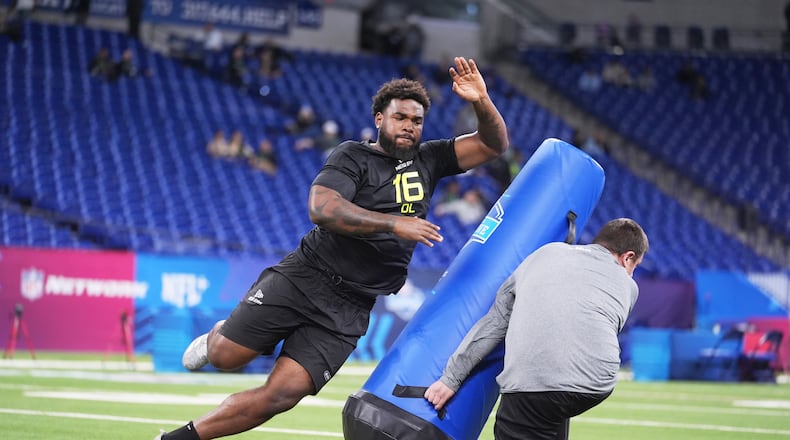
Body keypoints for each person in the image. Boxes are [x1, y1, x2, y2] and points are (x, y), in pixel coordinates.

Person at [155, 56, 509, 440]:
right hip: (305, 277)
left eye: (417, 121)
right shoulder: (352, 155)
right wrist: (393, 222)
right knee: (226, 358)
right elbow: (322, 209)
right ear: (379, 119)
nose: (409, 127)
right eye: (400, 118)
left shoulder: (432, 158)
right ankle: (218, 336)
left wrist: (481, 101)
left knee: (282, 395)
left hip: (351, 307)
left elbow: (494, 144)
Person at [424, 218, 649, 440]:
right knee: (550, 410)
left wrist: (450, 380)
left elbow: (496, 322)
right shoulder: (629, 287)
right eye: (634, 267)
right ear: (628, 256)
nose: (631, 274)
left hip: (534, 387)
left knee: (538, 402)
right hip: (597, 384)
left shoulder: (545, 253)